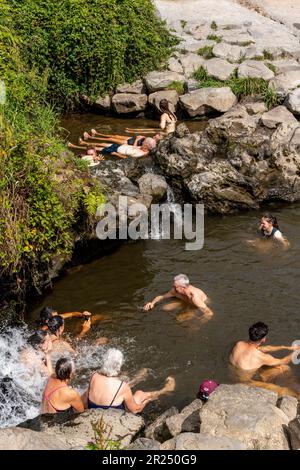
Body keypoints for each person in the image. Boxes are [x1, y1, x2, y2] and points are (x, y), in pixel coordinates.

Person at [82, 348, 175, 413]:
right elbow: (134, 409)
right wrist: (145, 402)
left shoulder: (93, 376)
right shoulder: (122, 386)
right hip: (112, 416)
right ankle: (165, 391)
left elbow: (85, 399)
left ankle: (137, 379)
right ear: (119, 365)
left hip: (93, 409)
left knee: (122, 388)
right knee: (140, 393)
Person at [229, 322, 300, 397]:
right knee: (284, 385)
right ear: (263, 339)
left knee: (277, 368)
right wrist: (296, 352)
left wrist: (284, 347)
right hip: (246, 382)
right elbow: (284, 361)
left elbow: (260, 348)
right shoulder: (261, 357)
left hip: (232, 374)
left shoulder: (239, 344)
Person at [143, 274, 213, 322]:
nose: (173, 287)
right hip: (185, 301)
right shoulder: (175, 291)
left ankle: (192, 314)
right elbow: (161, 297)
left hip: (196, 305)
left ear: (183, 287)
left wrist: (198, 322)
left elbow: (209, 313)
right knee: (165, 308)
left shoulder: (194, 296)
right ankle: (183, 304)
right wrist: (152, 303)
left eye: (175, 286)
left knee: (179, 319)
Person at [78, 137, 157, 159]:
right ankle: (84, 143)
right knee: (102, 143)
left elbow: (126, 158)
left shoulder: (140, 154)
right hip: (119, 146)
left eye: (144, 142)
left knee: (98, 149)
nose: (142, 142)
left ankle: (75, 146)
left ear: (146, 146)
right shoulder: (142, 148)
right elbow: (133, 147)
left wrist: (115, 154)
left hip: (115, 150)